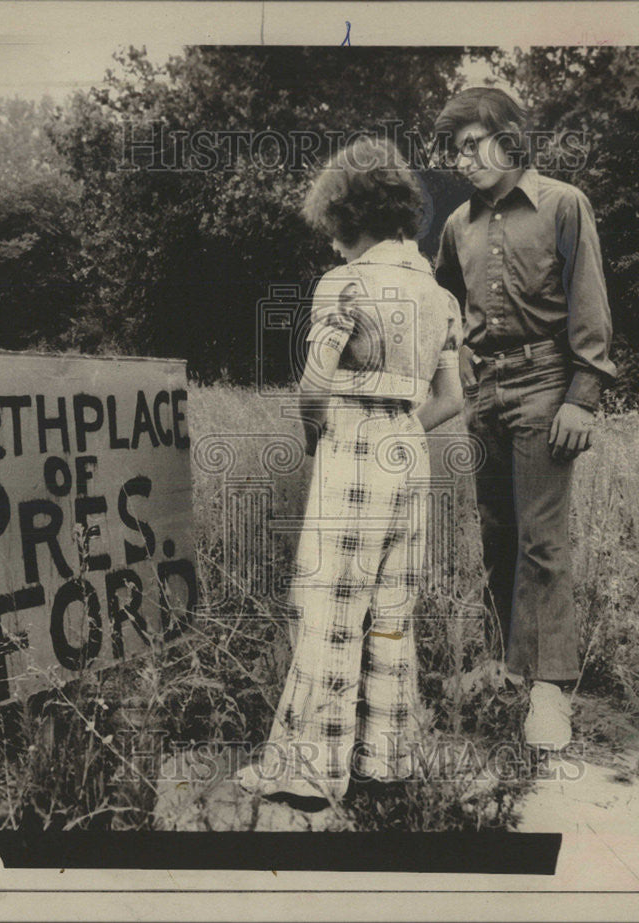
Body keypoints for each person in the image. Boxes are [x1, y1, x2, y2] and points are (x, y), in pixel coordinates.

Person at [236, 137, 464, 807]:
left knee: (331, 610)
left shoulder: (345, 285)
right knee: (393, 608)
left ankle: (310, 775)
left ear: (349, 215)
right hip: (409, 455)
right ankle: (384, 763)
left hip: (351, 448)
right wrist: (400, 433)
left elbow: (313, 387)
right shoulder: (439, 295)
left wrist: (317, 439)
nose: (333, 243)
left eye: (335, 229)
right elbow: (451, 399)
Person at [433, 87, 616, 751]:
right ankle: (502, 669)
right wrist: (458, 367)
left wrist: (582, 392)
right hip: (486, 394)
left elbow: (588, 299)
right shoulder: (457, 225)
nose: (462, 159)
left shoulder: (563, 204)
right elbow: (446, 303)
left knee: (543, 539)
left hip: (547, 382)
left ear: (511, 137)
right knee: (495, 533)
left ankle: (549, 688)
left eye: (472, 143)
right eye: (454, 149)